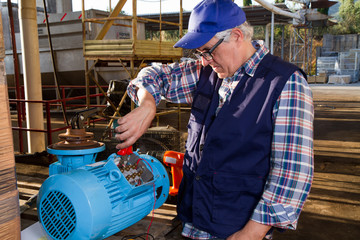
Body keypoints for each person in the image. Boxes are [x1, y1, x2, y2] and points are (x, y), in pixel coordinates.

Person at [115, 0, 314, 239]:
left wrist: (249, 235)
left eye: (208, 50)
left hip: (236, 230)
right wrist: (148, 103)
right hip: (193, 221)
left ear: (237, 36)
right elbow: (155, 75)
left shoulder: (284, 83)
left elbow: (292, 174)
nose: (205, 60)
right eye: (199, 53)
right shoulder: (206, 72)